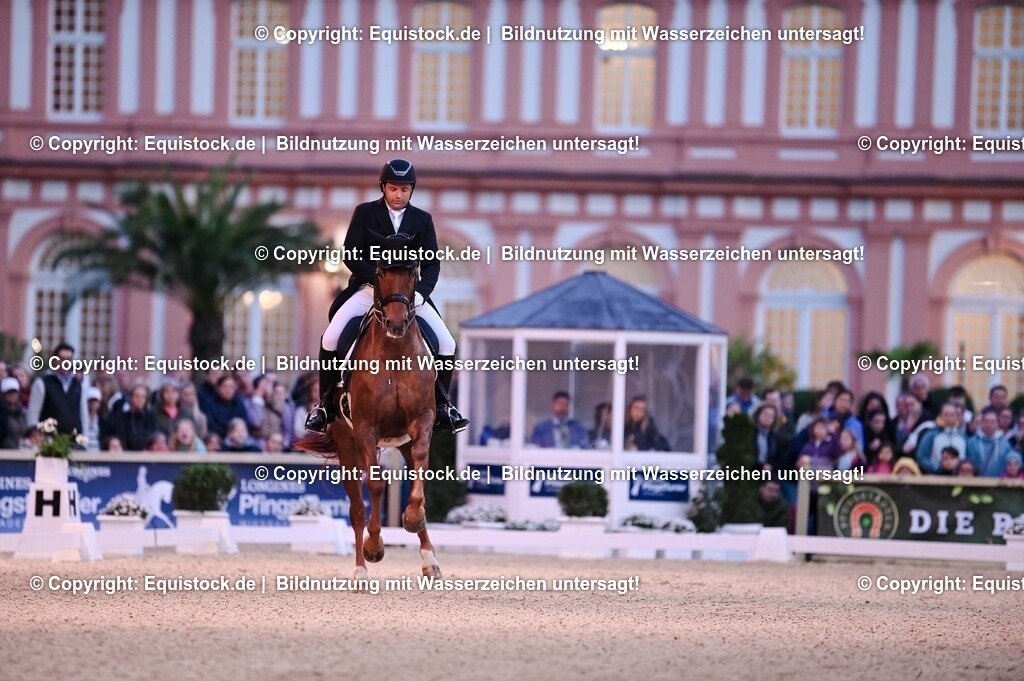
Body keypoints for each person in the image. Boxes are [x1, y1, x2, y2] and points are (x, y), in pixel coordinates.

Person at [304, 159, 468, 434]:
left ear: (411, 191)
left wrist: (420, 294)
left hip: (408, 297)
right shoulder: (365, 213)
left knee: (447, 343)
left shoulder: (422, 219)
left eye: (404, 190)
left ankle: (443, 406)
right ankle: (324, 406)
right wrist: (377, 284)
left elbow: (432, 264)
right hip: (369, 291)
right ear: (383, 187)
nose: (398, 195)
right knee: (331, 337)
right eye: (393, 189)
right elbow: (351, 254)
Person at [26, 342, 90, 435]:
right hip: (49, 442)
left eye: (68, 359)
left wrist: (85, 439)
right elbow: (33, 415)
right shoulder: (42, 383)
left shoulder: (78, 385)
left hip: (74, 442)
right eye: (62, 359)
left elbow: (83, 415)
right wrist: (35, 434)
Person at [915, 402, 967, 473]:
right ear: (940, 415)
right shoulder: (931, 435)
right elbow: (921, 457)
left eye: (952, 414)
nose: (949, 418)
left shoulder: (963, 437)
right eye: (946, 414)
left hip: (958, 478)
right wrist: (936, 467)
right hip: (936, 477)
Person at [965, 408, 1011, 477]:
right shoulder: (971, 443)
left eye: (992, 422)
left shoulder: (1005, 444)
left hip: (999, 484)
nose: (989, 425)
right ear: (982, 423)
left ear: (997, 424)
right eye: (986, 421)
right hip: (976, 483)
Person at [112, 384, 158, 452]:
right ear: (130, 398)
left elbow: (154, 437)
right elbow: (121, 439)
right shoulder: (123, 418)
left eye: (142, 397)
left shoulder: (151, 418)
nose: (139, 400)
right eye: (137, 396)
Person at [1, 377, 27, 449]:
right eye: (9, 392)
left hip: (22, 450)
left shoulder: (21, 413)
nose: (12, 395)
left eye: (14, 392)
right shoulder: (2, 413)